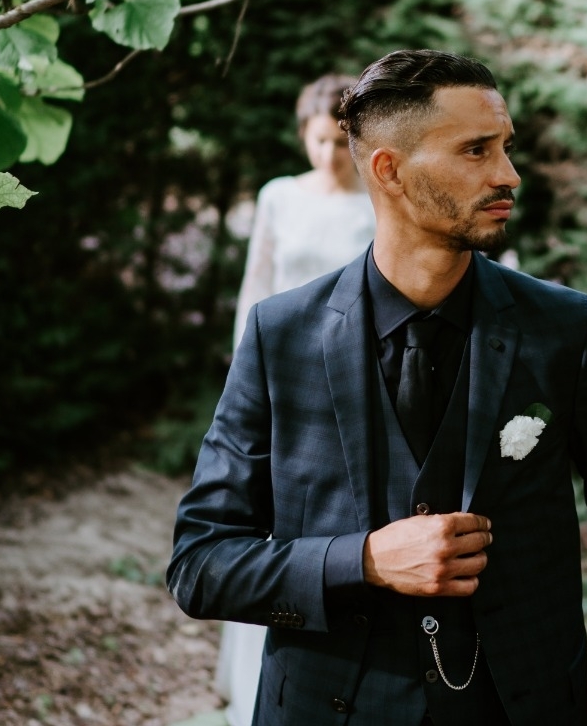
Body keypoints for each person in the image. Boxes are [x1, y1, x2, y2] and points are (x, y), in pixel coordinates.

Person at [171, 50, 587, 726]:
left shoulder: (561, 328)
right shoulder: (280, 336)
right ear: (390, 171)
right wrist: (362, 561)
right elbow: (201, 564)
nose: (509, 174)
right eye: (476, 150)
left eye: (505, 147)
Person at [219, 73, 378, 726]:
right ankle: (253, 682)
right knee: (265, 514)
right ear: (302, 137)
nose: (330, 155)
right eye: (319, 141)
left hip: (353, 380)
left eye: (340, 143)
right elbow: (256, 287)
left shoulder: (376, 204)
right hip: (280, 375)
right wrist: (244, 377)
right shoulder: (278, 196)